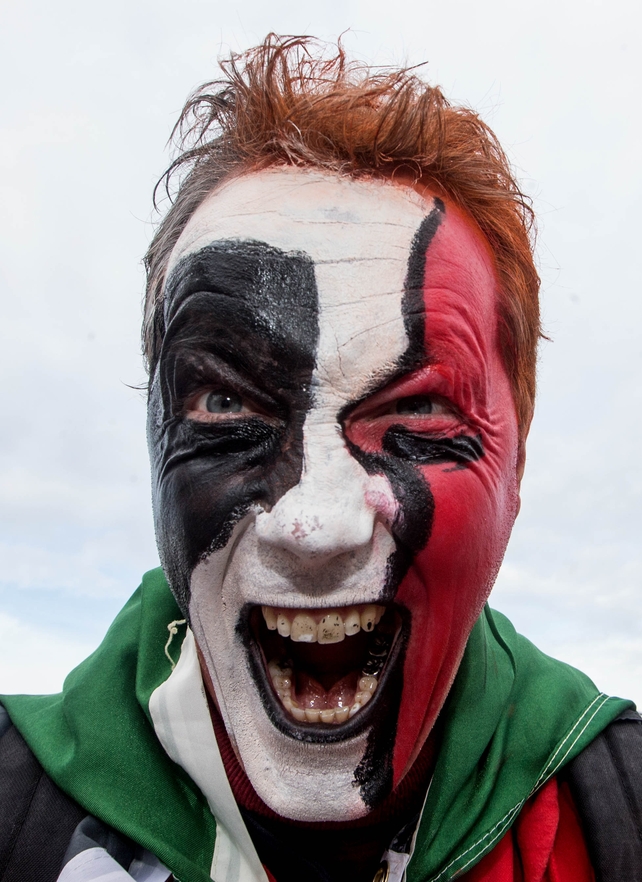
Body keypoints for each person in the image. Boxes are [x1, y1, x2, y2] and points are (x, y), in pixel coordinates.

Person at [0, 34, 640, 882]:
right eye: (227, 403)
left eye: (416, 408)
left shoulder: (615, 810)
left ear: (515, 469)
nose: (314, 524)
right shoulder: (18, 806)